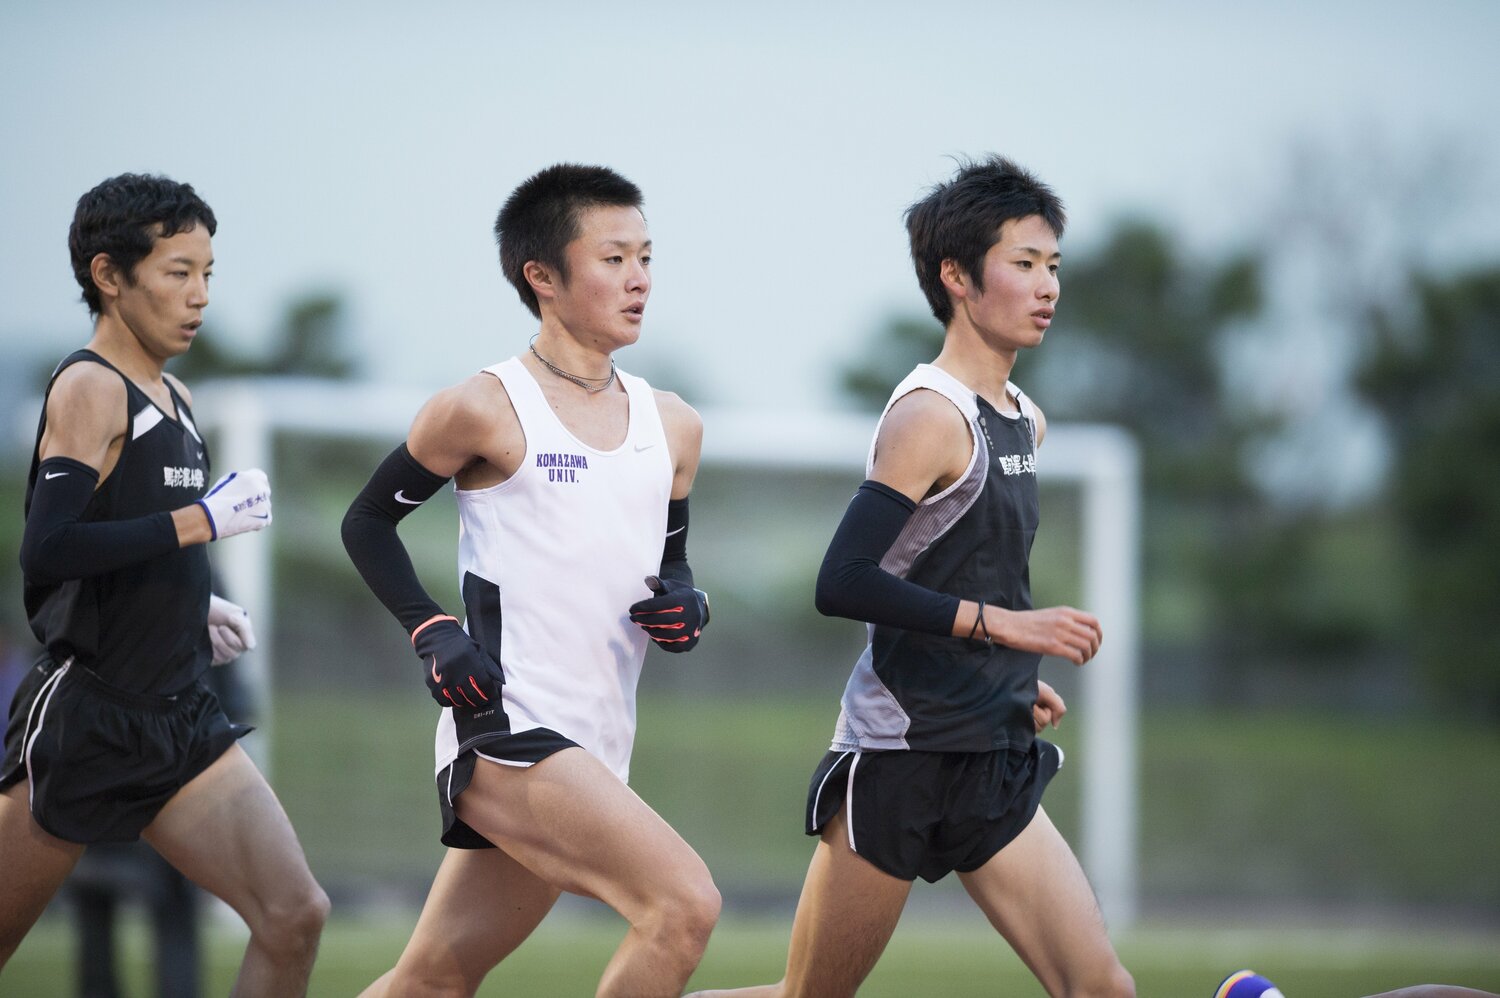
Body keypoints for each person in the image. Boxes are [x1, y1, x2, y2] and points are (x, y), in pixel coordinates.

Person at [690, 156, 1135, 998]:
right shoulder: (929, 416)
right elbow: (845, 580)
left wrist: (1008, 674)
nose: (1047, 287)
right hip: (899, 756)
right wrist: (1005, 631)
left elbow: (971, 567)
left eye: (1053, 267)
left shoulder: (1021, 419)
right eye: (1023, 264)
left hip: (990, 752)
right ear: (958, 277)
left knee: (1102, 988)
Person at [341, 162, 719, 998]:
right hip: (508, 730)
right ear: (540, 276)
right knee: (683, 906)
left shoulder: (674, 425)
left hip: (597, 746)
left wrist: (687, 599)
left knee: (434, 976)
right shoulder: (483, 407)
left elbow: (672, 558)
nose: (639, 280)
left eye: (647, 257)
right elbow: (365, 521)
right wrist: (430, 628)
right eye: (614, 258)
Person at [0, 174, 329, 996]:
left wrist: (197, 599)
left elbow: (134, 532)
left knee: (295, 915)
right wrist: (202, 525)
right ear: (109, 276)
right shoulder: (89, 386)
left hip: (180, 717)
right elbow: (49, 549)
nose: (200, 296)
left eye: (208, 273)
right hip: (89, 721)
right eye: (178, 272)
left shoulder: (176, 396)